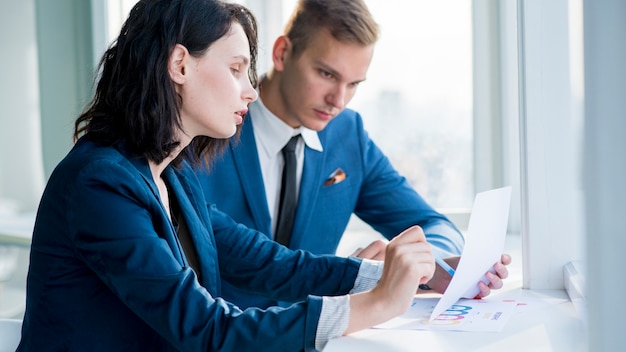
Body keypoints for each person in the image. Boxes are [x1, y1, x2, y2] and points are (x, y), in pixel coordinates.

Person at [16, 0, 470, 351]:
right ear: (179, 65)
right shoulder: (100, 184)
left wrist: (402, 276)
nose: (250, 90)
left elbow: (274, 264)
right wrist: (374, 304)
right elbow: (206, 329)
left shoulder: (172, 177)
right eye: (235, 70)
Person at [197, 0, 511, 310]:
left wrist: (420, 261)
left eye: (354, 84)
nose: (339, 100)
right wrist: (363, 274)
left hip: (323, 339)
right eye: (327, 75)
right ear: (281, 53)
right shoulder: (208, 125)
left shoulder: (347, 134)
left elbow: (433, 224)